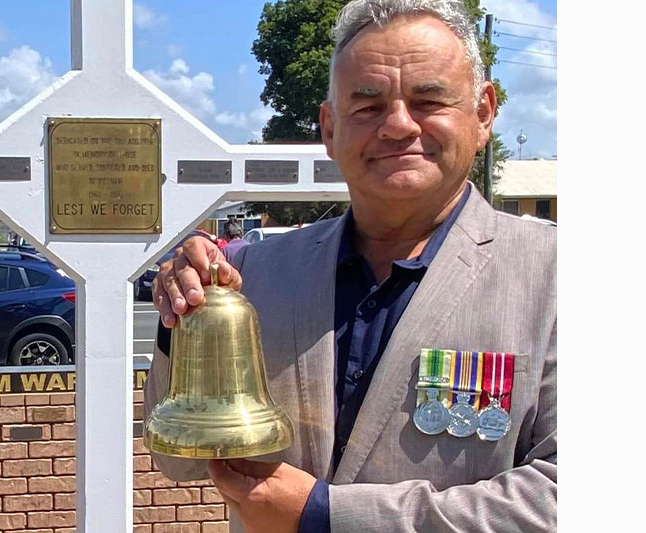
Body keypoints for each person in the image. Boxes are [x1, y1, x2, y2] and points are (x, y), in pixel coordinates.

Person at [144, 1, 556, 532]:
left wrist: (327, 517)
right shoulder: (254, 274)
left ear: (483, 114)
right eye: (367, 106)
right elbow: (179, 459)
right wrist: (184, 316)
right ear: (329, 129)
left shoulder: (560, 279)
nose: (398, 125)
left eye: (429, 100)